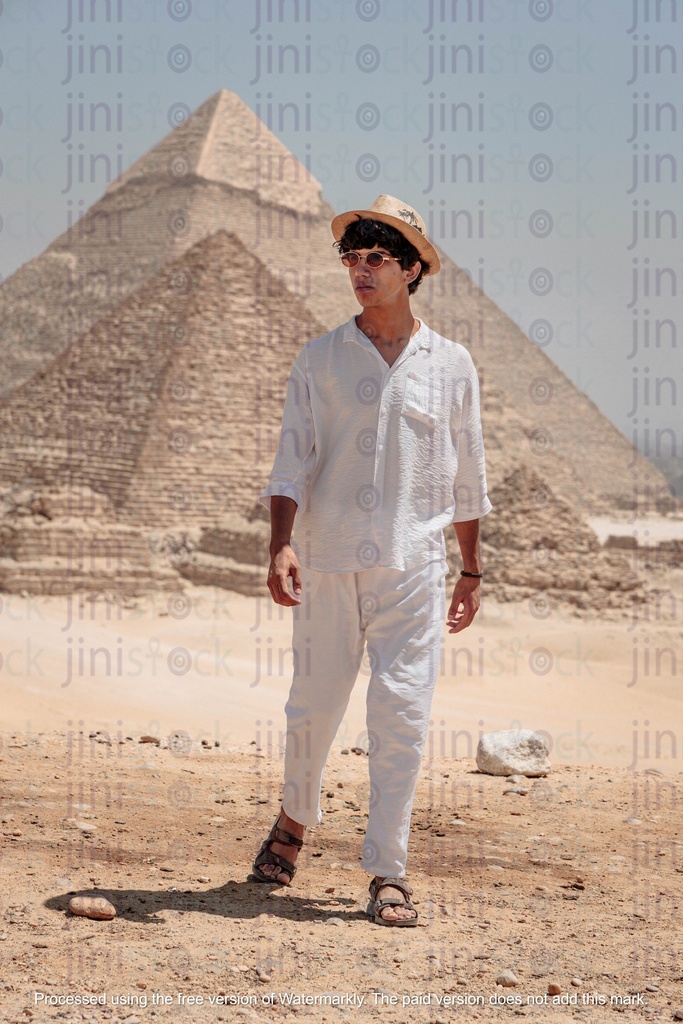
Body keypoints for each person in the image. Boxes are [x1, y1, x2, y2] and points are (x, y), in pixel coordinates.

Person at [252, 195, 491, 926]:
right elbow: (291, 460)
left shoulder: (451, 365)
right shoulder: (319, 358)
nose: (359, 270)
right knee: (312, 707)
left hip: (412, 567)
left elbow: (467, 477)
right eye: (351, 257)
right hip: (325, 562)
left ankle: (387, 870)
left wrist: (471, 570)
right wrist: (280, 543)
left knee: (403, 716)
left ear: (412, 269)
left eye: (377, 258)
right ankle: (293, 820)